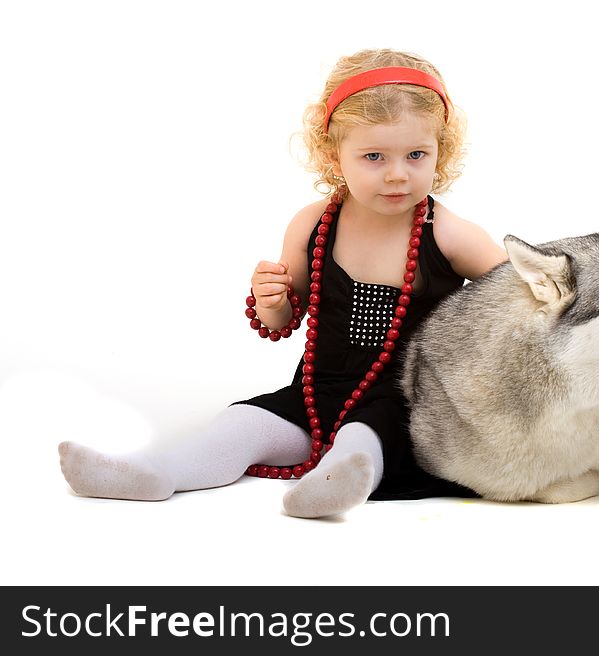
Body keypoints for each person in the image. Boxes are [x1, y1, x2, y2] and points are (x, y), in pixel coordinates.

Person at [58, 48, 507, 518]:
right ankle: (156, 472)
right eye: (374, 156)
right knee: (243, 423)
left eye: (417, 155)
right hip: (315, 395)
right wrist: (270, 299)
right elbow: (284, 318)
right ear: (334, 155)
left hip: (406, 403)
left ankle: (340, 480)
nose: (398, 174)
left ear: (442, 149)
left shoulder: (451, 234)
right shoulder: (313, 224)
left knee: (366, 434)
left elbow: (523, 299)